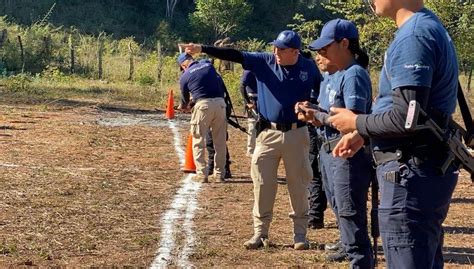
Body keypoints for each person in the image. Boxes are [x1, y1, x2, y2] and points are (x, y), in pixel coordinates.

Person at [328, 1, 459, 268]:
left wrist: (357, 122)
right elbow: (417, 113)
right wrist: (364, 133)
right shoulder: (426, 27)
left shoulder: (414, 36)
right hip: (421, 169)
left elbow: (407, 118)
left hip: (409, 174)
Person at [181, 30, 321, 250]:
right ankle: (260, 233)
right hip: (267, 134)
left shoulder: (308, 67)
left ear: (295, 51)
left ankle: (300, 235)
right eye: (274, 47)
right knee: (262, 184)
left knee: (298, 184)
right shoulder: (265, 61)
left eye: (281, 49)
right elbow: (234, 55)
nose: (276, 51)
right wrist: (203, 49)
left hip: (297, 133)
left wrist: (312, 106)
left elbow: (320, 91)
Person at [297, 19, 374, 268]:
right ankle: (347, 246)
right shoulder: (332, 76)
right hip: (327, 149)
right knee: (338, 205)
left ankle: (359, 260)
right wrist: (311, 111)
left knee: (351, 211)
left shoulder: (354, 75)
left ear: (344, 44)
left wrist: (317, 116)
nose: (320, 56)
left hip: (346, 152)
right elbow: (327, 111)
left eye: (325, 50)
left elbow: (351, 120)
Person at [177, 53, 227, 183]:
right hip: (221, 104)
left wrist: (184, 107)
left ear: (183, 65)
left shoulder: (185, 76)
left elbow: (184, 101)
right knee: (220, 142)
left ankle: (201, 173)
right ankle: (219, 174)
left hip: (203, 106)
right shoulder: (208, 66)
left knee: (198, 140)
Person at [240, 70, 258, 157]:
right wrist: (247, 102)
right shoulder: (248, 71)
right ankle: (250, 150)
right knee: (252, 125)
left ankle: (257, 148)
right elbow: (242, 87)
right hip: (252, 100)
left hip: (259, 99)